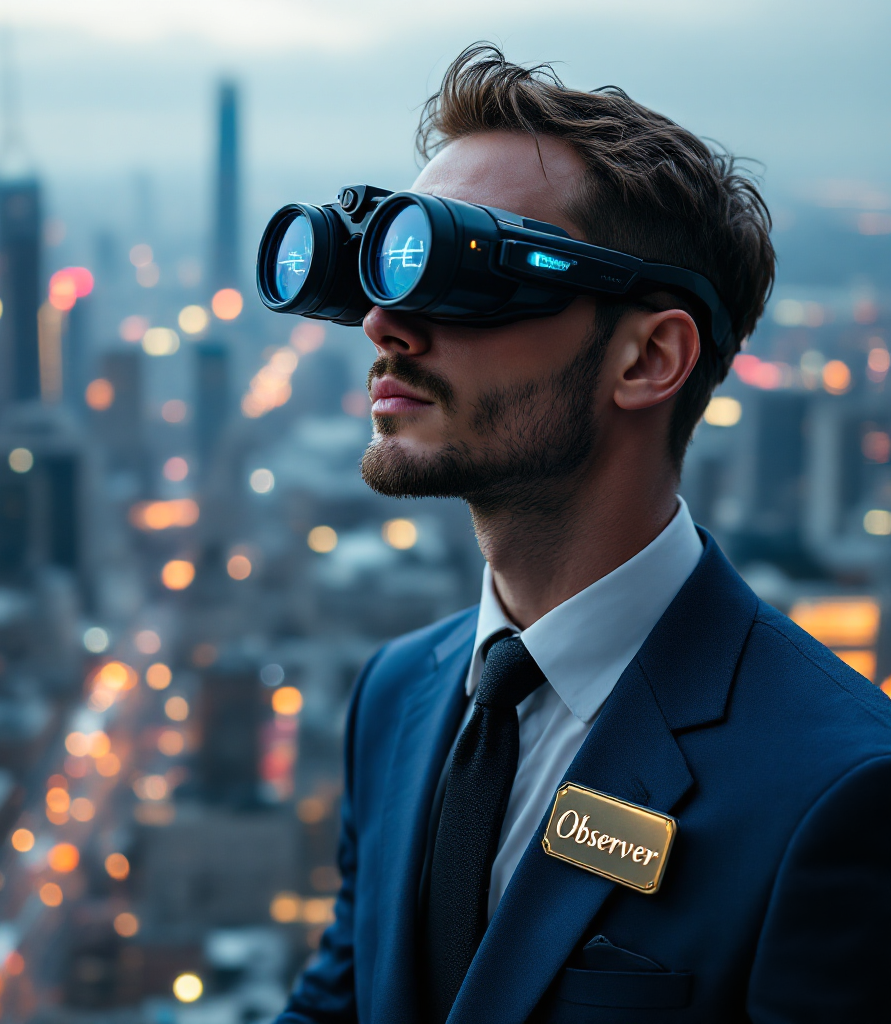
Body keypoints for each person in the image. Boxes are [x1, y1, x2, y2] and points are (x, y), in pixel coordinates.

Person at [275, 44, 891, 1023]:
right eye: (387, 269)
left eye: (461, 268)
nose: (385, 323)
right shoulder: (395, 694)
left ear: (648, 357)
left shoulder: (836, 791)